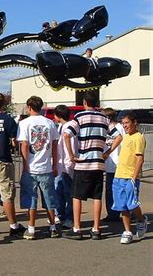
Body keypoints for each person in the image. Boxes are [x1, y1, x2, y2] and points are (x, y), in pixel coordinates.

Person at [63, 91, 109, 240]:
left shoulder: (79, 117)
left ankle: (77, 228)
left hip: (83, 163)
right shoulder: (104, 118)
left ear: (84, 103)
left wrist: (71, 155)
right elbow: (118, 136)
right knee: (97, 196)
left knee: (77, 196)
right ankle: (96, 228)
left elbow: (67, 134)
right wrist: (107, 152)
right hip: (98, 163)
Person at [17, 96, 59, 240]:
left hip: (31, 167)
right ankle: (53, 227)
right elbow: (54, 144)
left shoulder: (24, 123)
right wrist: (55, 164)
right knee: (49, 198)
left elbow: (24, 144)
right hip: (46, 166)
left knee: (31, 199)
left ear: (29, 107)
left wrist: (25, 165)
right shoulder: (50, 123)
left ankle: (31, 228)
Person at [0, 92, 26, 237]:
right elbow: (14, 140)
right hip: (4, 159)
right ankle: (13, 225)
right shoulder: (8, 120)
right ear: (4, 104)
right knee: (7, 194)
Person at [111, 112, 148, 244]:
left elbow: (140, 158)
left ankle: (141, 220)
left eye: (127, 123)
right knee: (122, 206)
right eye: (123, 123)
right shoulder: (125, 136)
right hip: (119, 175)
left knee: (132, 204)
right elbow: (116, 137)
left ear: (134, 122)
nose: (125, 125)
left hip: (130, 177)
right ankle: (127, 231)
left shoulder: (139, 138)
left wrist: (134, 177)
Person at [53, 105, 77, 229]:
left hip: (67, 164)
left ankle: (69, 217)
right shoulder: (62, 127)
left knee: (69, 192)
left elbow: (71, 146)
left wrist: (70, 161)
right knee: (60, 190)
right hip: (61, 164)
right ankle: (61, 214)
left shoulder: (69, 127)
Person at [102, 108, 124, 222]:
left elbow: (122, 143)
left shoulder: (120, 128)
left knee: (119, 190)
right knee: (109, 190)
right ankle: (111, 213)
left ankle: (122, 212)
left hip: (118, 163)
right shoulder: (105, 129)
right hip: (108, 165)